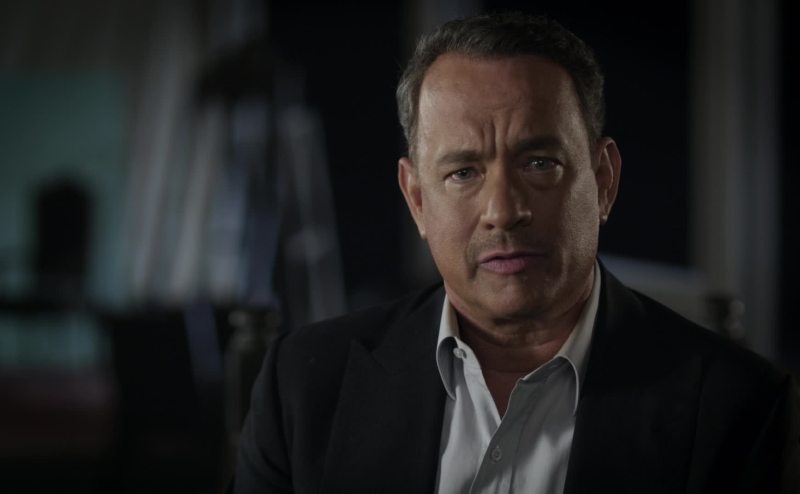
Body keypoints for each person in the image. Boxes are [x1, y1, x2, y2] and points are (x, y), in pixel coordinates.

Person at [233, 12, 800, 494]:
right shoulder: (304, 389)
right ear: (417, 200)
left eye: (539, 164)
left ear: (603, 181)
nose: (503, 211)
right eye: (463, 172)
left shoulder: (737, 407)